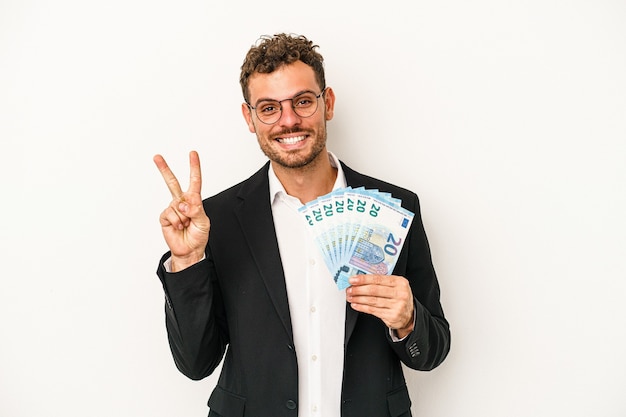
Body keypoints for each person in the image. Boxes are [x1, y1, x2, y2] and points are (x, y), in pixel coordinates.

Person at [153, 33, 450, 417]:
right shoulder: (216, 221)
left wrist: (409, 321)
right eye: (269, 108)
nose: (288, 120)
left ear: (327, 103)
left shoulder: (396, 208)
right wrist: (188, 262)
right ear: (249, 118)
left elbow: (433, 352)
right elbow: (196, 364)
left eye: (303, 102)